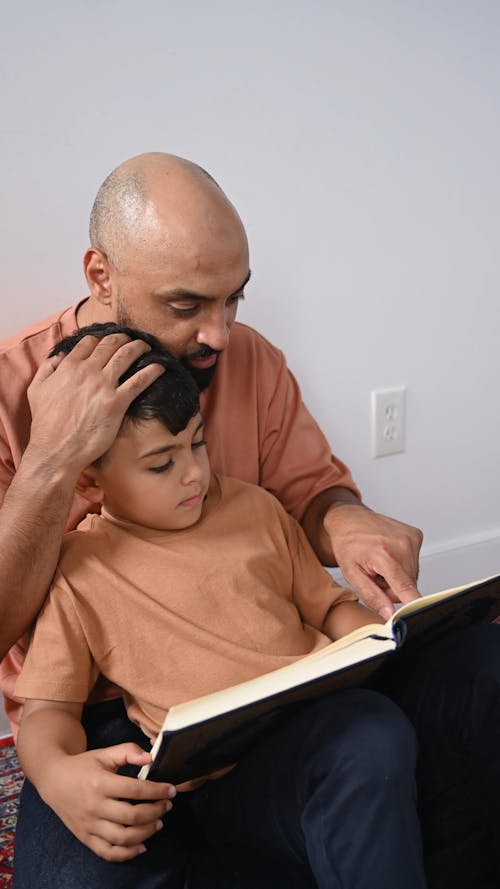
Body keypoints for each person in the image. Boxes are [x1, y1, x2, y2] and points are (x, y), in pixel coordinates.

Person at [2, 152, 499, 888]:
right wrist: (49, 463)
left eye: (234, 298)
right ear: (101, 275)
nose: (220, 335)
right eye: (186, 305)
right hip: (115, 720)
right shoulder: (16, 391)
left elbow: (315, 497)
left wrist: (347, 522)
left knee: (476, 676)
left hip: (283, 683)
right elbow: (40, 692)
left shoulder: (250, 376)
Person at [14, 323, 428, 889]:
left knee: (376, 728)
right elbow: (46, 711)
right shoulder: (79, 568)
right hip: (213, 782)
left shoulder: (255, 509)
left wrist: (385, 638)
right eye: (162, 464)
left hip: (311, 732)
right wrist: (58, 775)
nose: (193, 473)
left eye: (198, 443)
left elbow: (327, 608)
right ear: (90, 479)